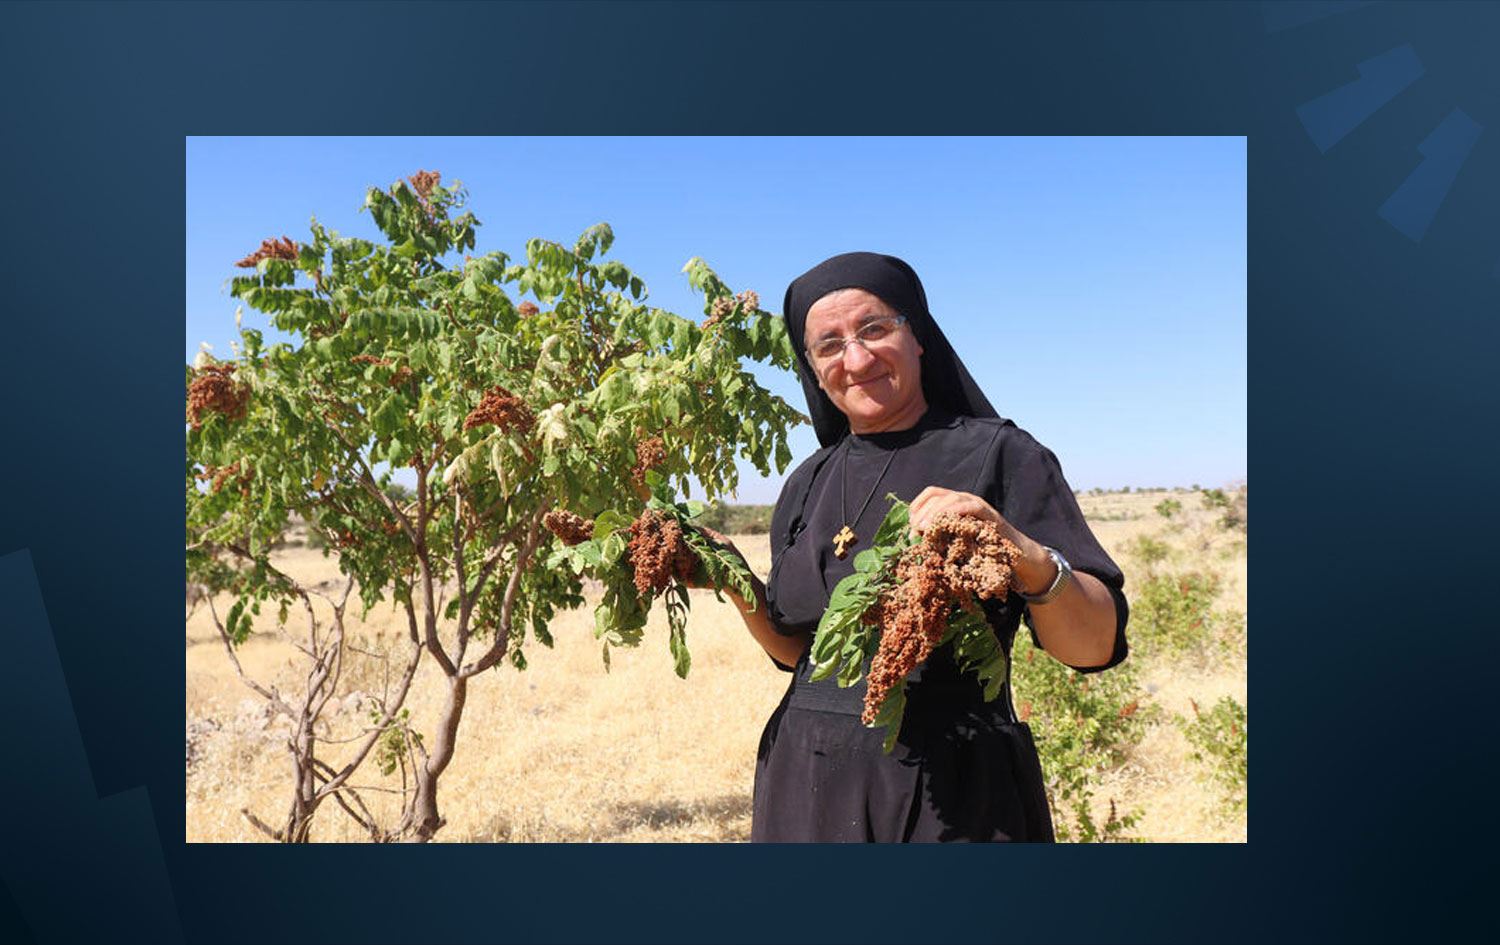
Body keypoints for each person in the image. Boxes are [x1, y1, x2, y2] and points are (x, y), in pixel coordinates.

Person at [710, 251, 1129, 842]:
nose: (856, 358)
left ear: (919, 337)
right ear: (813, 368)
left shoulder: (1002, 456)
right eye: (830, 345)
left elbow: (1093, 646)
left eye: (875, 328)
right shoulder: (808, 482)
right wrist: (733, 580)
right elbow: (799, 653)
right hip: (804, 781)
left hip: (954, 792)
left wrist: (1022, 554)